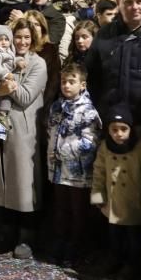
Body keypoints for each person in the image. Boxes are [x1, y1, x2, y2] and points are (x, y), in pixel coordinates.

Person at [0, 18, 48, 258]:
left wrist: (6, 86)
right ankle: (6, 230)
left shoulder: (38, 64)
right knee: (2, 178)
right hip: (0, 126)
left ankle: (26, 236)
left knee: (23, 182)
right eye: (17, 37)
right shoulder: (1, 58)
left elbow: (27, 95)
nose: (21, 42)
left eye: (26, 37)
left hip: (23, 130)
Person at [90, 103, 141, 280]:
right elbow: (99, 172)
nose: (119, 134)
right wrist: (98, 195)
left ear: (130, 129)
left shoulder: (140, 148)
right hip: (113, 203)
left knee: (134, 239)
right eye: (114, 129)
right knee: (115, 236)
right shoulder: (105, 147)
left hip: (133, 203)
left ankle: (132, 265)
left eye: (123, 129)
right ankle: (115, 258)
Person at [45, 63, 101, 266]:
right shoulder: (57, 106)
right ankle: (60, 240)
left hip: (78, 172)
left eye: (72, 82)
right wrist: (52, 153)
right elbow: (51, 132)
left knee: (77, 210)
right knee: (61, 208)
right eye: (64, 82)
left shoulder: (88, 112)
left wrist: (65, 152)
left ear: (82, 85)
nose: (67, 86)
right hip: (58, 169)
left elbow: (90, 142)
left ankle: (75, 246)